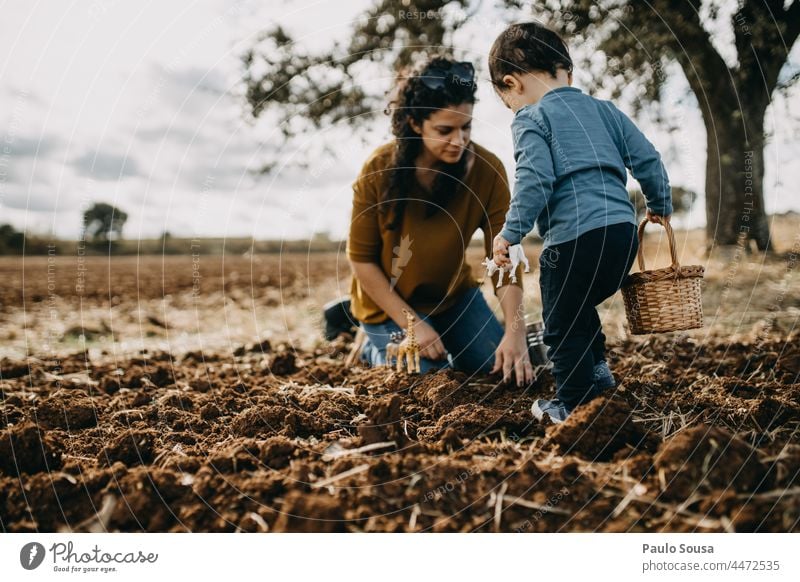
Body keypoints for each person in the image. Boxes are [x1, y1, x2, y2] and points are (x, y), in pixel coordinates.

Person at [488, 22, 673, 423]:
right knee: (579, 309)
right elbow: (648, 160)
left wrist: (510, 233)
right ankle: (598, 378)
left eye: (507, 102)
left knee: (559, 323)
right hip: (622, 237)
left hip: (572, 241)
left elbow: (535, 179)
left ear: (511, 84)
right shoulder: (606, 111)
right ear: (567, 72)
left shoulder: (530, 118)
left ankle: (572, 405)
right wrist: (660, 205)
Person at [345, 57, 533, 385]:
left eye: (466, 128)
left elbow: (505, 258)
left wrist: (515, 333)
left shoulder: (488, 171)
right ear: (416, 124)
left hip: (452, 299)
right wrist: (412, 324)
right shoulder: (377, 169)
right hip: (388, 305)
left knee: (501, 368)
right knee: (427, 379)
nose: (459, 141)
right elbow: (360, 260)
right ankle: (373, 346)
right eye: (445, 130)